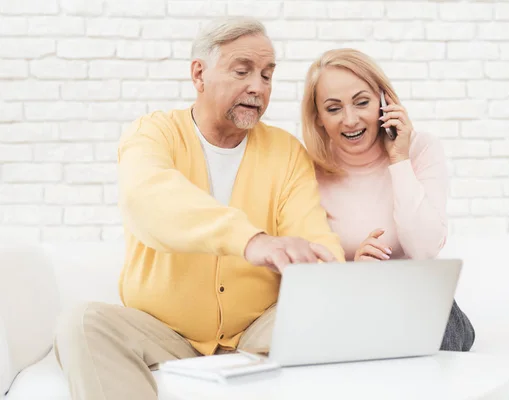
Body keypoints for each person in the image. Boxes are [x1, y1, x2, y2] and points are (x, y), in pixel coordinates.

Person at [52, 17, 345, 400]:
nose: (258, 87)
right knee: (83, 323)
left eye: (267, 75)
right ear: (199, 74)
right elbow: (150, 200)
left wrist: (328, 274)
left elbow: (315, 238)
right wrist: (251, 241)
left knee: (333, 315)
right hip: (163, 332)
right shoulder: (153, 133)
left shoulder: (286, 152)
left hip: (258, 330)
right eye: (242, 71)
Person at [301, 48, 475, 351]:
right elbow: (305, 272)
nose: (351, 120)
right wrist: (356, 269)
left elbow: (423, 250)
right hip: (349, 301)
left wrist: (399, 159)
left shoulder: (422, 149)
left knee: (437, 329)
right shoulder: (305, 168)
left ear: (385, 101)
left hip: (417, 298)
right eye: (333, 109)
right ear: (317, 118)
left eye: (362, 102)